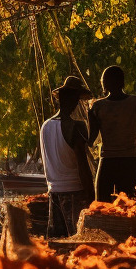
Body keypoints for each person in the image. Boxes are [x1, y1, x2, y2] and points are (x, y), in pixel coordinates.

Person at [87, 65, 136, 201]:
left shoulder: (98, 107)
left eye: (104, 80)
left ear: (104, 83)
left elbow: (91, 138)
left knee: (102, 202)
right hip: (130, 160)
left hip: (109, 160)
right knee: (127, 202)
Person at [41, 76, 94, 238]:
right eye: (76, 99)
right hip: (74, 192)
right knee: (77, 240)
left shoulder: (45, 126)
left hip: (54, 192)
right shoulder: (75, 127)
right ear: (73, 100)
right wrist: (92, 196)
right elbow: (83, 166)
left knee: (57, 242)